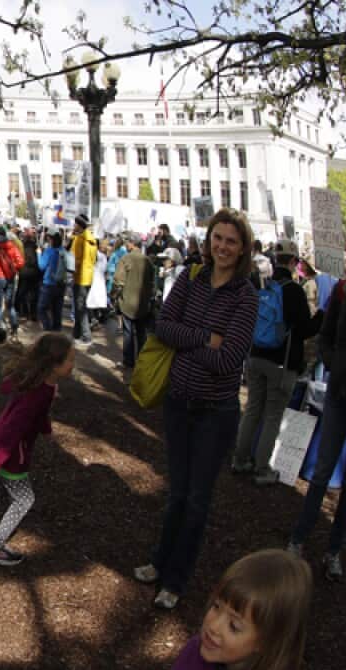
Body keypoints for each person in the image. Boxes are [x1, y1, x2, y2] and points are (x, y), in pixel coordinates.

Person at [135, 209, 258, 610]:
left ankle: (176, 578)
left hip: (215, 412)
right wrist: (207, 337)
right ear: (209, 242)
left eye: (231, 241)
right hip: (177, 402)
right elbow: (163, 327)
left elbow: (229, 360)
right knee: (177, 494)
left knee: (197, 500)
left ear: (242, 249)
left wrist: (189, 340)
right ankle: (159, 560)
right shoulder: (190, 278)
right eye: (217, 238)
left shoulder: (246, 296)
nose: (222, 246)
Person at [139, 549, 312, 670]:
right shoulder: (193, 653)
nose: (213, 626)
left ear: (267, 640)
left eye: (234, 626)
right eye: (216, 607)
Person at [287, 219, 346, 582]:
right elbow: (328, 335)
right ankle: (298, 539)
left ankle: (334, 550)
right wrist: (335, 362)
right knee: (320, 472)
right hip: (337, 395)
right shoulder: (343, 290)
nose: (345, 250)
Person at [0, 333, 75, 566]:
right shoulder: (36, 394)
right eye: (70, 360)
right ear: (53, 365)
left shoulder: (42, 383)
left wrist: (46, 429)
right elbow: (12, 429)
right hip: (9, 455)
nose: (73, 364)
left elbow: (39, 414)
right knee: (24, 500)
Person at [234, 239, 323, 486]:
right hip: (281, 363)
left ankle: (240, 459)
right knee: (273, 416)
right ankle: (262, 468)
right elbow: (305, 329)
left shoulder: (266, 285)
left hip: (256, 356)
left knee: (252, 409)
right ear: (294, 261)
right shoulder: (293, 291)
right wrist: (322, 317)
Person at [112, 237, 156, 369]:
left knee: (128, 333)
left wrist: (116, 296)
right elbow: (153, 284)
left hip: (127, 302)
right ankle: (141, 361)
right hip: (143, 303)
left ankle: (128, 361)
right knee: (141, 333)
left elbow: (118, 280)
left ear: (132, 244)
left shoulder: (126, 259)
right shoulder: (148, 261)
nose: (126, 245)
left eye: (128, 242)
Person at [0, 226, 25, 341]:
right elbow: (21, 262)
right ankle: (14, 331)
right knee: (10, 306)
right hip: (10, 279)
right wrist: (13, 268)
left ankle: (0, 330)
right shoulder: (12, 246)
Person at [69, 214, 97, 344]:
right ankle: (76, 334)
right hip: (89, 277)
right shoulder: (92, 239)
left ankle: (86, 336)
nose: (73, 225)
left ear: (79, 225)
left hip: (80, 277)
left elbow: (75, 260)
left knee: (80, 308)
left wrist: (70, 273)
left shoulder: (79, 239)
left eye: (75, 223)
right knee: (80, 306)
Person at [37, 230, 66, 331]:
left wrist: (39, 254)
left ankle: (48, 328)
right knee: (57, 309)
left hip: (49, 283)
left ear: (51, 239)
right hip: (61, 283)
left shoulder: (49, 251)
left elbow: (41, 266)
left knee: (41, 308)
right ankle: (57, 330)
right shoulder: (63, 251)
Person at [87, 239, 110, 326]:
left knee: (90, 301)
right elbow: (105, 270)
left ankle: (93, 319)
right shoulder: (103, 256)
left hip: (94, 280)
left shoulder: (95, 255)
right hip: (100, 281)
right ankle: (95, 318)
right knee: (96, 301)